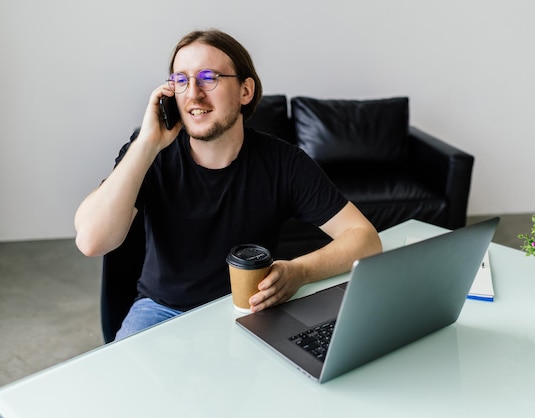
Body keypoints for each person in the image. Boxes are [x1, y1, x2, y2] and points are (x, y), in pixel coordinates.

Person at [74, 28, 382, 340]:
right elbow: (91, 241)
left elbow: (365, 239)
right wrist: (147, 143)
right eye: (180, 80)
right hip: (160, 311)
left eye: (208, 78)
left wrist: (299, 272)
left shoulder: (284, 162)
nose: (193, 93)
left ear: (245, 91)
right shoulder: (149, 153)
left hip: (248, 311)